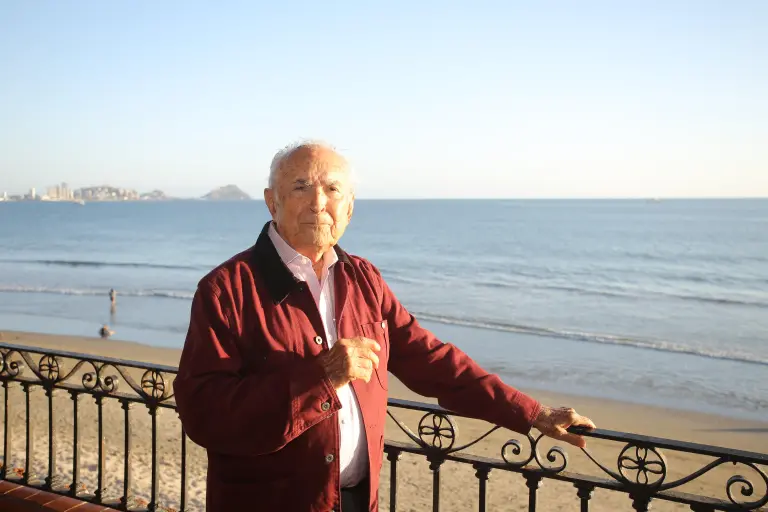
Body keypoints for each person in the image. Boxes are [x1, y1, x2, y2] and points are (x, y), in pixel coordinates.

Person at [173, 142, 596, 512]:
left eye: (333, 189)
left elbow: (430, 360)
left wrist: (531, 412)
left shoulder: (363, 279)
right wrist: (321, 377)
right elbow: (203, 413)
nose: (319, 202)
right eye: (301, 186)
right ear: (272, 201)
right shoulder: (226, 290)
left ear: (350, 207)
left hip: (359, 499)